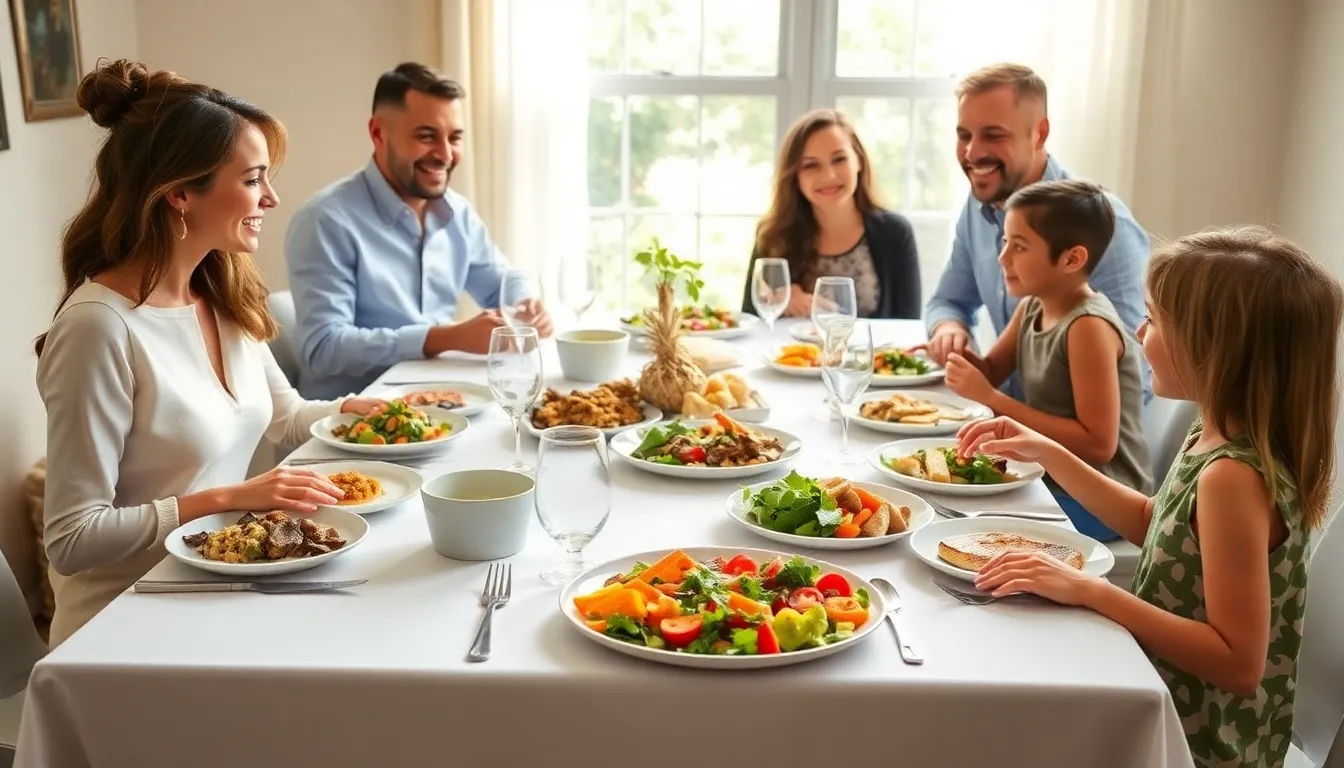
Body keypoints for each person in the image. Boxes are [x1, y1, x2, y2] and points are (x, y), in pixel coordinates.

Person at [34, 59, 386, 648]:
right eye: (252, 179)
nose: (271, 198)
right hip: (125, 626)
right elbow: (72, 539)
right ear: (178, 194)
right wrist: (229, 498)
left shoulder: (220, 293)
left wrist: (367, 411)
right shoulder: (99, 328)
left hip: (216, 587)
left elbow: (287, 416)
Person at [957, 226, 1339, 767]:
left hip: (1195, 744)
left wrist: (1091, 591)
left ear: (1214, 345)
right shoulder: (1216, 432)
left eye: (1155, 319)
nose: (1138, 332)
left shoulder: (1232, 476)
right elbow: (1153, 521)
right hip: (1159, 700)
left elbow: (1238, 662)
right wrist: (1049, 452)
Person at [285, 62, 552, 400]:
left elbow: (504, 280)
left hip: (435, 410)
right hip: (349, 430)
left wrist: (525, 305)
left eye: (454, 138)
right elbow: (323, 348)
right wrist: (446, 337)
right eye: (426, 136)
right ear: (378, 133)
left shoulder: (457, 214)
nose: (444, 154)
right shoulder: (325, 220)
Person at [921, 63, 1150, 401]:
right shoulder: (978, 205)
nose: (971, 153)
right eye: (964, 135)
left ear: (1040, 133)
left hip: (1072, 447)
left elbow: (1133, 378)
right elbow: (948, 301)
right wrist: (949, 330)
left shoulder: (1106, 226)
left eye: (993, 135)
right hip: (1009, 424)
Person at [943, 179, 1151, 541]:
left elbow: (1099, 444)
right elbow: (990, 371)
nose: (1003, 257)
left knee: (967, 518)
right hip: (1052, 479)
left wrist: (993, 400)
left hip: (1102, 500)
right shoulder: (1033, 305)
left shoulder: (1087, 327)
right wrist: (954, 351)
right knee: (946, 494)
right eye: (1005, 242)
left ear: (1071, 258)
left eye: (1019, 247)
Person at [740, 108, 920, 320]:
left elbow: (907, 326)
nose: (829, 175)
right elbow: (750, 319)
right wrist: (780, 300)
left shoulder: (895, 233)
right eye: (811, 165)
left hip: (871, 354)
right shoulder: (774, 233)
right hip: (790, 353)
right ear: (795, 177)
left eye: (839, 159)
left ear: (858, 161)